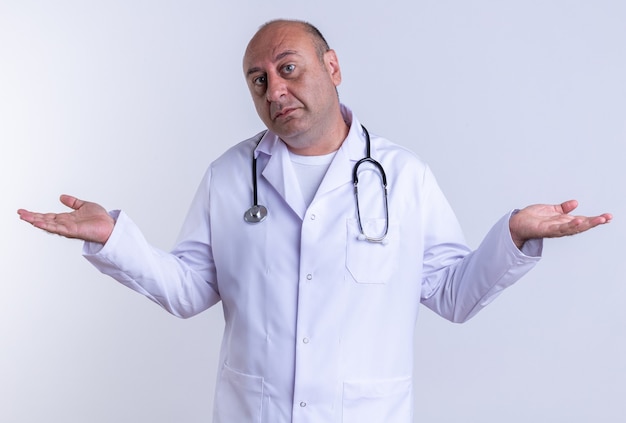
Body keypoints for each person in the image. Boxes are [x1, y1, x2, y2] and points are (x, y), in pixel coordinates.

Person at [17, 19, 612, 423]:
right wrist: (114, 239)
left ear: (332, 66)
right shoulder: (229, 176)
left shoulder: (403, 177)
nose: (274, 89)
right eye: (258, 80)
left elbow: (450, 294)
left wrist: (512, 235)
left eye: (288, 68)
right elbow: (189, 289)